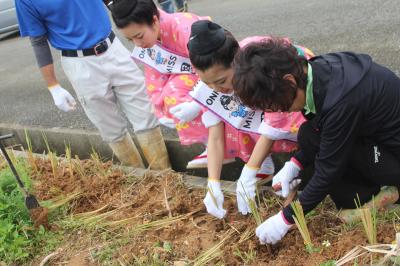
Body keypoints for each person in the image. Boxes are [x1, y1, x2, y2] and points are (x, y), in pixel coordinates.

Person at [233, 38, 400, 245]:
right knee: (307, 135)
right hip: (373, 136)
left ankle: (375, 197)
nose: (279, 111)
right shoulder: (313, 71)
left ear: (290, 81)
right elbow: (320, 129)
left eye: (277, 105)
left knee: (330, 162)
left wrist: (284, 219)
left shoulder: (342, 100)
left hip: (392, 155)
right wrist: (295, 163)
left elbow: (328, 169)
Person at [15, 0, 170, 170]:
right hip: (80, 63)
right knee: (110, 127)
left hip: (112, 47)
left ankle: (164, 174)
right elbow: (38, 41)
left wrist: (149, 22)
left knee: (145, 113)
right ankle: (139, 177)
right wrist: (53, 86)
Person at [185, 21, 313, 218]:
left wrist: (249, 171)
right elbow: (216, 136)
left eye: (221, 81)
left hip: (298, 103)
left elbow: (275, 122)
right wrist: (213, 183)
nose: (216, 89)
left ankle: (296, 170)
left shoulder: (261, 66)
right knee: (230, 118)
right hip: (270, 113)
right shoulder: (214, 81)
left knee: (305, 137)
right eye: (206, 83)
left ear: (236, 61)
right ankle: (276, 172)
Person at [109, 0, 234, 168]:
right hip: (193, 75)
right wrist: (162, 111)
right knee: (172, 97)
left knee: (179, 96)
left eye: (139, 36)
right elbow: (154, 79)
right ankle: (210, 143)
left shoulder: (184, 28)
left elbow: (216, 67)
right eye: (130, 40)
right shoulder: (150, 41)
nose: (137, 44)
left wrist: (197, 103)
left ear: (154, 21)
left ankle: (222, 146)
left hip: (219, 73)